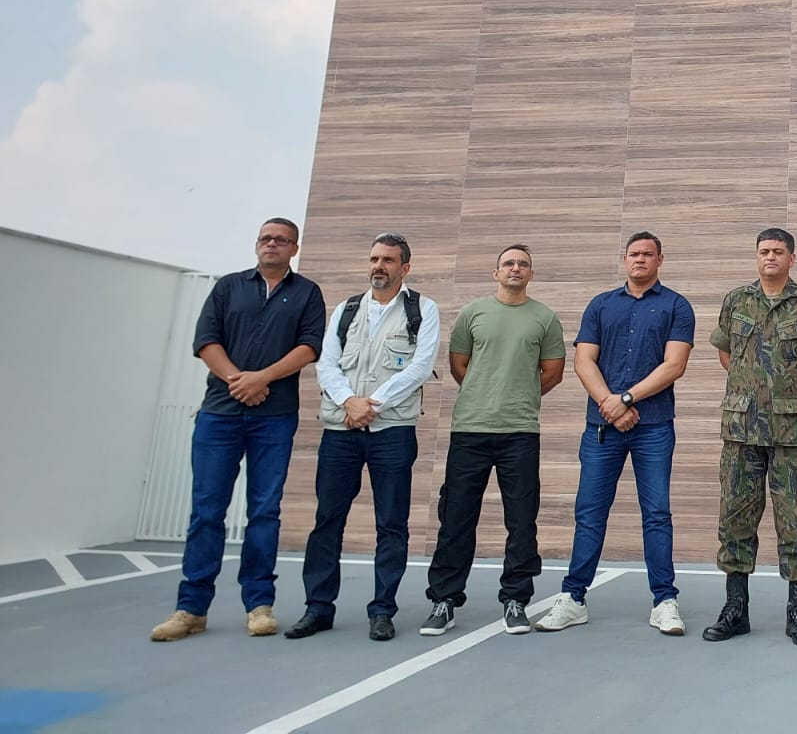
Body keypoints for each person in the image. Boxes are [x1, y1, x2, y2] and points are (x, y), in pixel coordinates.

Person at [150, 219, 326, 642]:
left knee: (264, 512)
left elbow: (310, 347)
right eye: (265, 238)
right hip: (219, 415)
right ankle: (190, 609)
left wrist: (261, 378)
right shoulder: (229, 287)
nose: (271, 244)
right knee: (206, 511)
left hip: (275, 417)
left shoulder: (306, 293)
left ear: (294, 248)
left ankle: (259, 605)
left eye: (280, 240)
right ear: (257, 244)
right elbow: (206, 341)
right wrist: (239, 382)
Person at [536, 232, 695, 636]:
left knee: (656, 514)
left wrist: (624, 398)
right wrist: (610, 404)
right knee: (589, 513)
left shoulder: (677, 305)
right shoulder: (600, 304)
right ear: (624, 260)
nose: (640, 260)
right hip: (601, 428)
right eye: (633, 254)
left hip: (654, 427)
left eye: (647, 254)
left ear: (661, 259)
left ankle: (664, 601)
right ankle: (573, 598)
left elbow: (674, 365)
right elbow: (583, 360)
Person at [284, 233, 440, 642]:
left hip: (392, 431)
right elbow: (326, 364)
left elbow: (420, 367)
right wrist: (349, 402)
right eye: (374, 258)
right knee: (327, 521)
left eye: (388, 260)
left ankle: (382, 610)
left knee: (391, 524)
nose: (379, 266)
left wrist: (372, 403)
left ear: (405, 267)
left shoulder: (422, 309)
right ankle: (318, 608)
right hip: (341, 431)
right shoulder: (347, 309)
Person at [702, 228, 797, 647]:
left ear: (792, 259)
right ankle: (735, 609)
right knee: (735, 519)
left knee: (796, 521)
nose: (771, 257)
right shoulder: (736, 301)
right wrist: (750, 389)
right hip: (742, 430)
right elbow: (727, 353)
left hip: (792, 432)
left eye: (779, 252)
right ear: (756, 257)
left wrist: (791, 393)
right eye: (764, 251)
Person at [420, 243, 565, 637]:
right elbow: (459, 365)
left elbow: (552, 372)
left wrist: (517, 395)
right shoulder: (473, 313)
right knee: (455, 518)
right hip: (470, 429)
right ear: (495, 272)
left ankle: (516, 599)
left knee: (521, 521)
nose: (515, 268)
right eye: (508, 263)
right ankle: (444, 600)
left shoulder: (545, 318)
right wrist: (487, 393)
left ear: (531, 274)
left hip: (520, 432)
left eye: (523, 264)